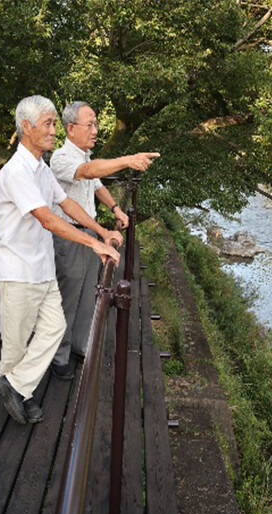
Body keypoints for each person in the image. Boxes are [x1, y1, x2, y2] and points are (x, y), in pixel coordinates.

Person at [0, 95, 122, 425]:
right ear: (27, 127)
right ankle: (20, 396)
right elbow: (47, 219)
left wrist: (100, 230)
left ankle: (16, 385)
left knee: (54, 328)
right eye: (48, 124)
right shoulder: (16, 172)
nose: (54, 131)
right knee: (16, 343)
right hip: (18, 269)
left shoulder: (40, 168)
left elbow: (67, 204)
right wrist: (92, 244)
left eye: (54, 123)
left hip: (41, 266)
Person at [46, 101, 158, 379]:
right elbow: (89, 173)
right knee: (68, 296)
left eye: (96, 124)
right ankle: (58, 357)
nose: (96, 130)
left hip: (89, 236)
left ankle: (80, 345)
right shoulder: (61, 158)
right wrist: (128, 160)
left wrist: (116, 209)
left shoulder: (84, 156)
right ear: (71, 129)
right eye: (90, 124)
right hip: (69, 237)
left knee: (88, 294)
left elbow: (97, 185)